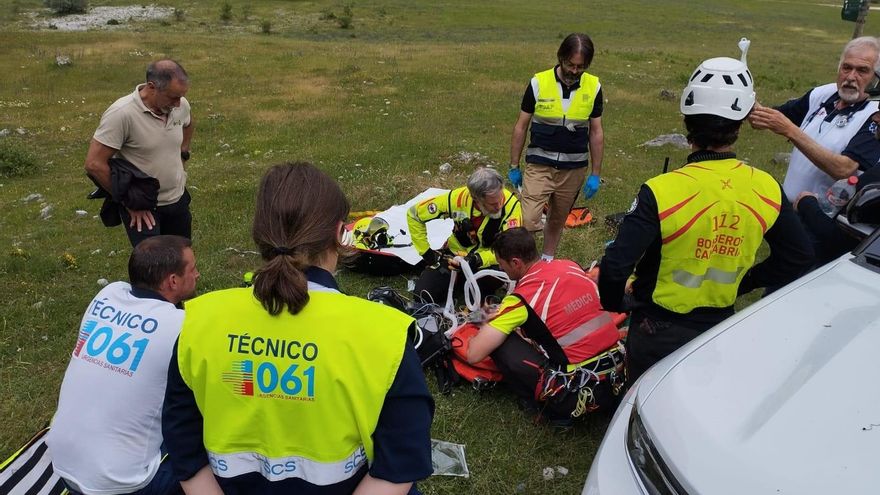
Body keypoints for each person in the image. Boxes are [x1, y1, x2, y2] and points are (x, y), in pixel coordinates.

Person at [162, 162, 434, 495]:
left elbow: (184, 449)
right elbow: (399, 467)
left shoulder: (200, 319)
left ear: (260, 234)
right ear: (339, 234)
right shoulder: (384, 333)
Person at [599, 52, 815, 385]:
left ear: (687, 121)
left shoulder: (662, 190)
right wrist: (743, 282)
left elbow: (615, 266)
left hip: (656, 325)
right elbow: (799, 254)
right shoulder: (766, 187)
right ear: (741, 122)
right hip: (717, 325)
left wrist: (617, 302)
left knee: (640, 399)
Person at [47, 235, 199, 495]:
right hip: (126, 484)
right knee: (203, 430)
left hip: (62, 466)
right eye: (193, 269)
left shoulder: (108, 294)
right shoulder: (183, 327)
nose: (198, 274)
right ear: (172, 281)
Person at [465, 228, 622, 422]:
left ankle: (539, 406)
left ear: (515, 262)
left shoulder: (521, 300)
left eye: (501, 264)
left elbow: (474, 355)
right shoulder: (570, 266)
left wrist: (481, 323)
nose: (501, 268)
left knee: (501, 342)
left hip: (575, 395)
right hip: (618, 376)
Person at [509, 32, 605, 260]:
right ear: (560, 57)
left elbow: (596, 131)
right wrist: (514, 165)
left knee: (558, 218)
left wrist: (595, 174)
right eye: (570, 64)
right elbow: (521, 126)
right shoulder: (538, 83)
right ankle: (526, 265)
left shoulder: (594, 87)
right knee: (529, 219)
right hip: (540, 164)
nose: (574, 71)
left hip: (573, 169)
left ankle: (547, 260)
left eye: (580, 66)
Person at [749, 37, 880, 202]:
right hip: (790, 208)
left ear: (875, 78)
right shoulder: (823, 94)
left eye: (862, 70)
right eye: (846, 67)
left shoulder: (875, 115)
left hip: (826, 219)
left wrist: (791, 131)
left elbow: (844, 169)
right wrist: (744, 98)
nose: (851, 77)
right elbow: (770, 117)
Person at [85, 59, 195, 247]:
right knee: (152, 270)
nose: (178, 104)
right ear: (152, 87)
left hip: (177, 200)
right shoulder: (122, 113)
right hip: (144, 211)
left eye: (181, 96)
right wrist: (130, 202)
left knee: (181, 261)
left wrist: (183, 152)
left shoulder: (180, 105)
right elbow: (94, 164)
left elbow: (188, 123)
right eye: (172, 97)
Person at [407, 167, 522, 305]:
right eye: (492, 204)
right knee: (423, 295)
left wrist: (477, 259)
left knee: (484, 289)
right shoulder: (457, 198)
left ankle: (471, 285)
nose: (499, 206)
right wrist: (426, 252)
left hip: (488, 261)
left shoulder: (511, 205)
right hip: (453, 257)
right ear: (476, 199)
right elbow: (414, 214)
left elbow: (511, 248)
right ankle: (458, 281)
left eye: (500, 199)